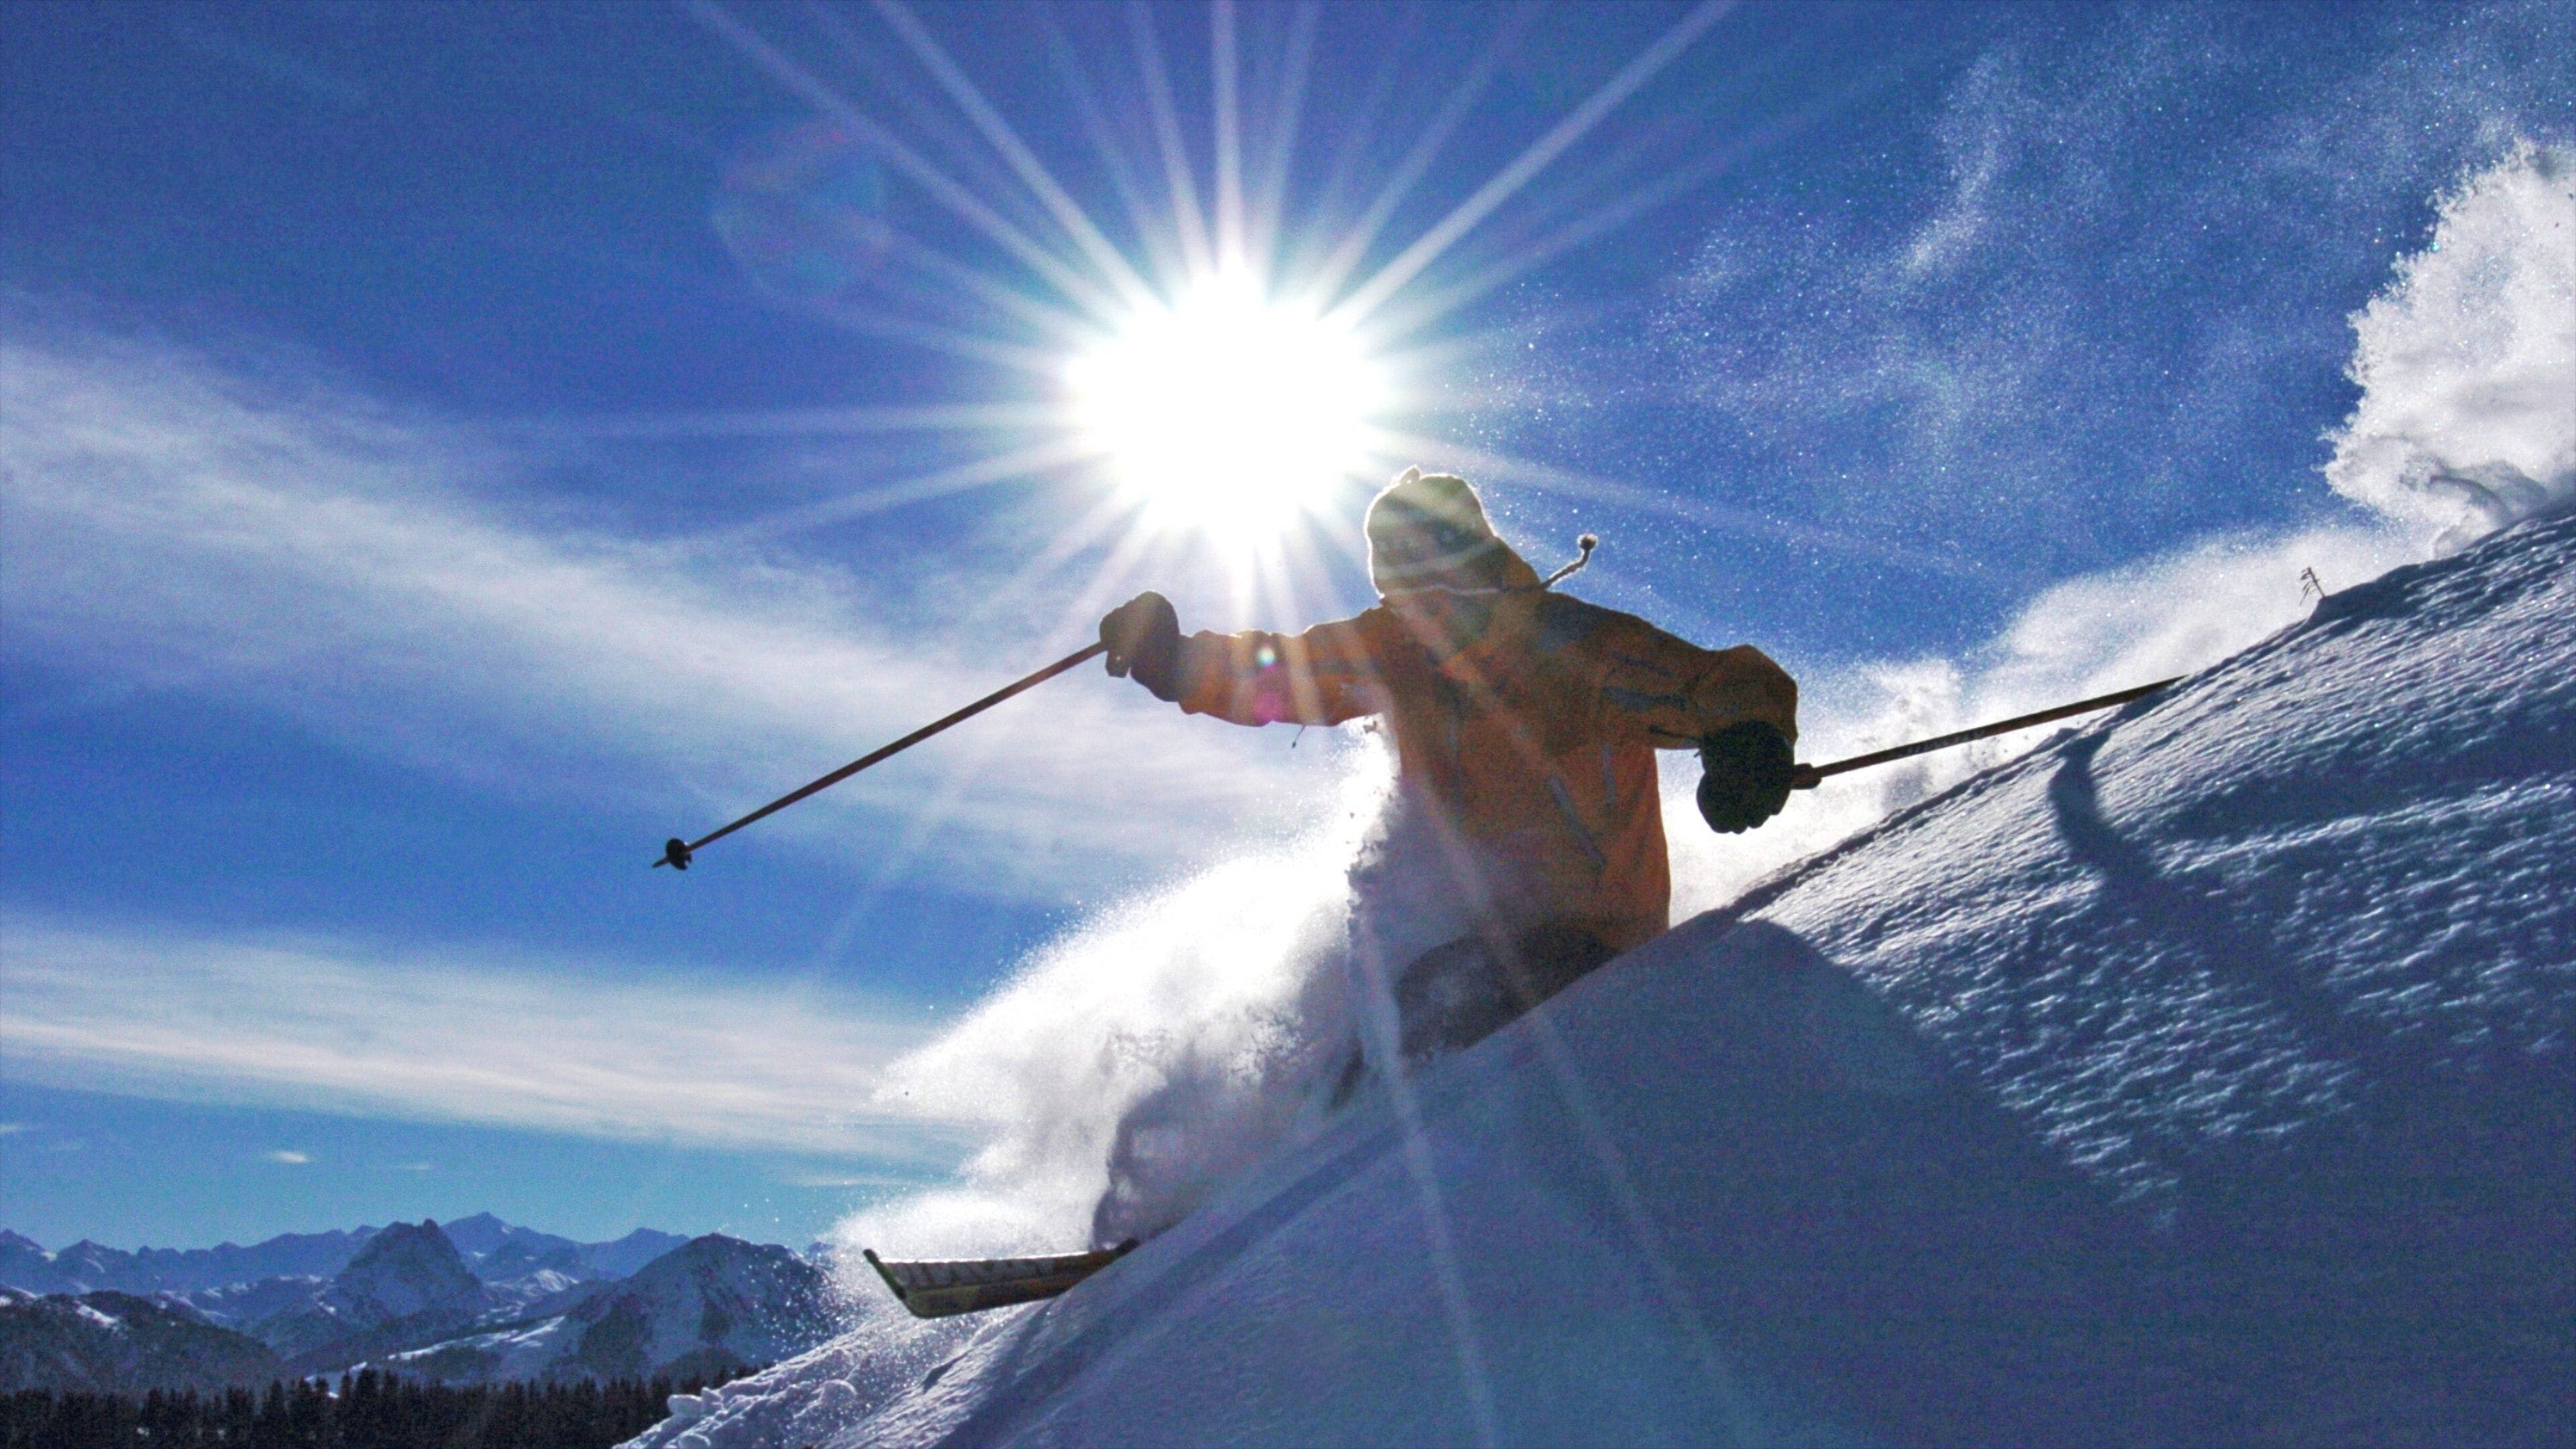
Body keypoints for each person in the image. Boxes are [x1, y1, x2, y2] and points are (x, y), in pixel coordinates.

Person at [1099, 468, 1799, 1063]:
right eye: (1401, 598)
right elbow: (1286, 671)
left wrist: (1748, 742)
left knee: (1435, 1010)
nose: (1420, 618)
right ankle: (1268, 1172)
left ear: (1474, 567)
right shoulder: (1396, 650)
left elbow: (1707, 685)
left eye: (1434, 591)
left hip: (1600, 943)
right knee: (1370, 1036)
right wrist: (1177, 662)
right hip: (1481, 939)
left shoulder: (1560, 648)